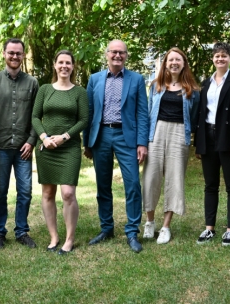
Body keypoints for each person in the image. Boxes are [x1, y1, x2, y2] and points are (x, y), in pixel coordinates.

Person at [83, 40, 149, 253]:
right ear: (107, 54)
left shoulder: (137, 79)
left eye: (121, 52)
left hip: (126, 136)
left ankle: (132, 231)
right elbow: (89, 113)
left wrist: (142, 143)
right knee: (103, 185)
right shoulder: (94, 79)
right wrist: (87, 142)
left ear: (126, 56)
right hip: (101, 135)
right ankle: (106, 228)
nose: (117, 56)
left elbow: (142, 113)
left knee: (132, 184)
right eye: (114, 52)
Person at [0, 38, 39, 249]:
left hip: (23, 148)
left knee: (25, 192)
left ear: (23, 56)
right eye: (11, 53)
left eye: (18, 53)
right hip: (0, 148)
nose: (14, 56)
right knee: (0, 192)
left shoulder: (32, 83)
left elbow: (36, 115)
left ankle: (22, 231)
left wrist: (32, 141)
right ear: (4, 54)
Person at [32, 50, 88, 255]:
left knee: (68, 193)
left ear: (73, 67)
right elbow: (35, 117)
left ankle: (69, 239)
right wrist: (45, 138)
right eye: (60, 62)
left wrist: (64, 136)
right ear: (54, 65)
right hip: (46, 148)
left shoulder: (79, 92)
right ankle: (54, 236)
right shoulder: (45, 89)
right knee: (48, 193)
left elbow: (84, 120)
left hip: (69, 147)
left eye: (68, 63)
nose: (64, 66)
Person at [142, 47, 199, 244]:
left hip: (179, 134)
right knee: (150, 177)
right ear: (165, 63)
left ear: (184, 64)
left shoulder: (193, 90)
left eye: (178, 59)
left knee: (174, 180)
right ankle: (149, 222)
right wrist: (144, 141)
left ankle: (166, 227)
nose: (174, 62)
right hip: (156, 133)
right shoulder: (156, 86)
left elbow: (194, 117)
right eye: (170, 59)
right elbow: (148, 114)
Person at [194, 42, 230, 246]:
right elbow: (200, 113)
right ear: (212, 59)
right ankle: (209, 228)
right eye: (217, 56)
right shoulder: (205, 83)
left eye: (224, 55)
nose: (220, 59)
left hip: (229, 136)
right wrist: (198, 143)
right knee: (210, 185)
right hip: (208, 136)